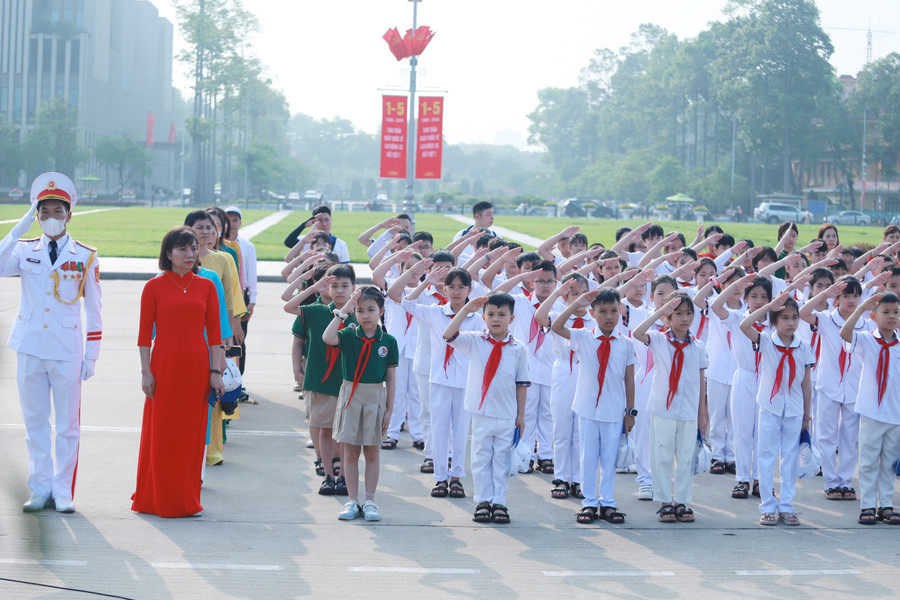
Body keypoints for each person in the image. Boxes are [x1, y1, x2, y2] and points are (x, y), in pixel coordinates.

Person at [0, 172, 102, 513]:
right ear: (37, 215)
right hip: (29, 346)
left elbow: (95, 308)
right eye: (44, 212)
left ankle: (62, 491)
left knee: (68, 426)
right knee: (35, 423)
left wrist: (92, 355)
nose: (51, 218)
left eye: (58, 211)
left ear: (69, 214)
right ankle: (40, 487)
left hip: (66, 349)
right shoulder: (24, 250)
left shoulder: (85, 255)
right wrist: (19, 226)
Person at [133, 227, 225, 518]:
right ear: (168, 253)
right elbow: (144, 336)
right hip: (164, 367)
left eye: (193, 248)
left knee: (191, 435)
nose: (190, 254)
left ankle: (185, 498)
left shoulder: (206, 285)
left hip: (198, 369)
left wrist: (216, 371)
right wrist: (146, 372)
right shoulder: (153, 287)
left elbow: (214, 334)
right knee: (161, 433)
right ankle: (155, 497)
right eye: (183, 249)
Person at [552, 288, 635, 525]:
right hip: (588, 408)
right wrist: (576, 302)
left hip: (614, 410)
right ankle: (589, 502)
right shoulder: (583, 337)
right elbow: (557, 327)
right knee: (587, 456)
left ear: (619, 311)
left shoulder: (626, 343)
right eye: (602, 311)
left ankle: (607, 501)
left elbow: (629, 379)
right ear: (592, 313)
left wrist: (631, 412)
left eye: (613, 311)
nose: (608, 316)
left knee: (609, 459)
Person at [444, 292, 529, 524]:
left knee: (502, 459)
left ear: (512, 319)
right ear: (483, 317)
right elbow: (448, 334)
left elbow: (522, 383)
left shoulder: (518, 348)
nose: (496, 319)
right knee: (481, 458)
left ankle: (499, 501)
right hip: (480, 413)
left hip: (507, 413)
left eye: (502, 315)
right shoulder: (474, 341)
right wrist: (465, 309)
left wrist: (521, 415)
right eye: (490, 314)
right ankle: (482, 500)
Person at [633, 291, 709, 523]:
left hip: (687, 410)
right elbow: (637, 333)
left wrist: (703, 414)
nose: (684, 319)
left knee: (686, 457)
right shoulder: (658, 339)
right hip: (663, 408)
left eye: (688, 314)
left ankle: (683, 501)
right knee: (662, 455)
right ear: (668, 316)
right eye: (678, 314)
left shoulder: (697, 346)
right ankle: (665, 502)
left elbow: (701, 380)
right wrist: (660, 311)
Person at [323, 286, 398, 521]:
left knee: (373, 450)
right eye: (360, 310)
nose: (366, 315)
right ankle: (352, 500)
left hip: (375, 396)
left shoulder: (389, 341)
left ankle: (370, 500)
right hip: (350, 396)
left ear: (381, 311)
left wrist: (389, 408)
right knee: (351, 451)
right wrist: (345, 308)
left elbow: (391, 377)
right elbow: (327, 337)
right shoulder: (347, 335)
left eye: (371, 310)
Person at [284, 264, 358, 496]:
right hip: (320, 380)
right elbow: (289, 305)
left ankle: (344, 475)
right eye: (334, 285)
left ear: (354, 289)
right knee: (324, 430)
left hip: (349, 383)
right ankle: (328, 475)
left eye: (345, 286)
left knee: (346, 434)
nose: (339, 291)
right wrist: (314, 288)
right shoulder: (317, 311)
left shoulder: (360, 314)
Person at [740, 294, 814, 526]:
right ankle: (767, 505)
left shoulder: (803, 347)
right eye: (784, 318)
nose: (791, 323)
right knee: (766, 455)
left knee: (790, 457)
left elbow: (806, 383)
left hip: (793, 409)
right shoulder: (766, 341)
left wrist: (806, 413)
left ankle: (787, 506)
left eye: (794, 318)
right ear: (773, 320)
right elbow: (744, 325)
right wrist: (768, 307)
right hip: (770, 407)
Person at [840, 291, 900, 525]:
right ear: (873, 316)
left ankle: (885, 504)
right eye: (886, 312)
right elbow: (844, 333)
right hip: (872, 412)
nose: (892, 316)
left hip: (895, 413)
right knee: (867, 460)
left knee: (889, 462)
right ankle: (867, 505)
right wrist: (860, 308)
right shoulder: (866, 339)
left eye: (896, 312)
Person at [225, 206, 258, 402]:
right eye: (228, 220)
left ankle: (238, 380)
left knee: (239, 340)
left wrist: (252, 300)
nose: (232, 223)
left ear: (240, 222)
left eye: (235, 219)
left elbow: (251, 274)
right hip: (225, 297)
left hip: (241, 297)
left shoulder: (246, 246)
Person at [283, 205, 350, 263]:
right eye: (320, 220)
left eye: (327, 220)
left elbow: (344, 268)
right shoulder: (306, 240)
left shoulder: (341, 244)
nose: (324, 224)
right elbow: (288, 242)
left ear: (331, 220)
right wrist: (304, 225)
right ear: (314, 222)